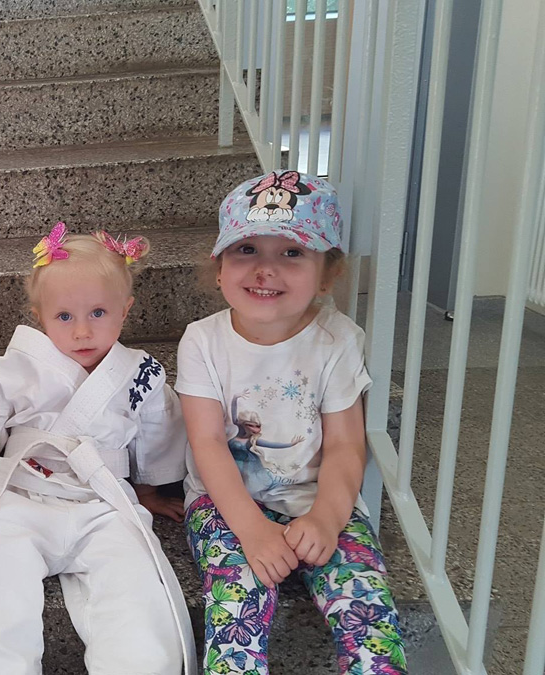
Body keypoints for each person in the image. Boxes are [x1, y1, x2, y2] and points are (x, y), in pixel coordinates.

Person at [0, 223, 195, 675]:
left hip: (103, 500)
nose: (82, 331)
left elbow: (158, 434)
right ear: (40, 316)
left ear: (126, 309)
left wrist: (149, 490)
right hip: (23, 495)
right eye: (65, 317)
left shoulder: (141, 375)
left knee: (133, 586)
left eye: (98, 312)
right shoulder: (11, 371)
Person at [178, 171, 407, 674]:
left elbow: (346, 446)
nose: (266, 269)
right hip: (224, 504)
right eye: (246, 250)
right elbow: (207, 442)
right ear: (219, 268)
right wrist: (251, 529)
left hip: (319, 497)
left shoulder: (337, 339)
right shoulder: (202, 340)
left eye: (291, 252)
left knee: (368, 614)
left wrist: (327, 516)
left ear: (326, 275)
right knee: (237, 611)